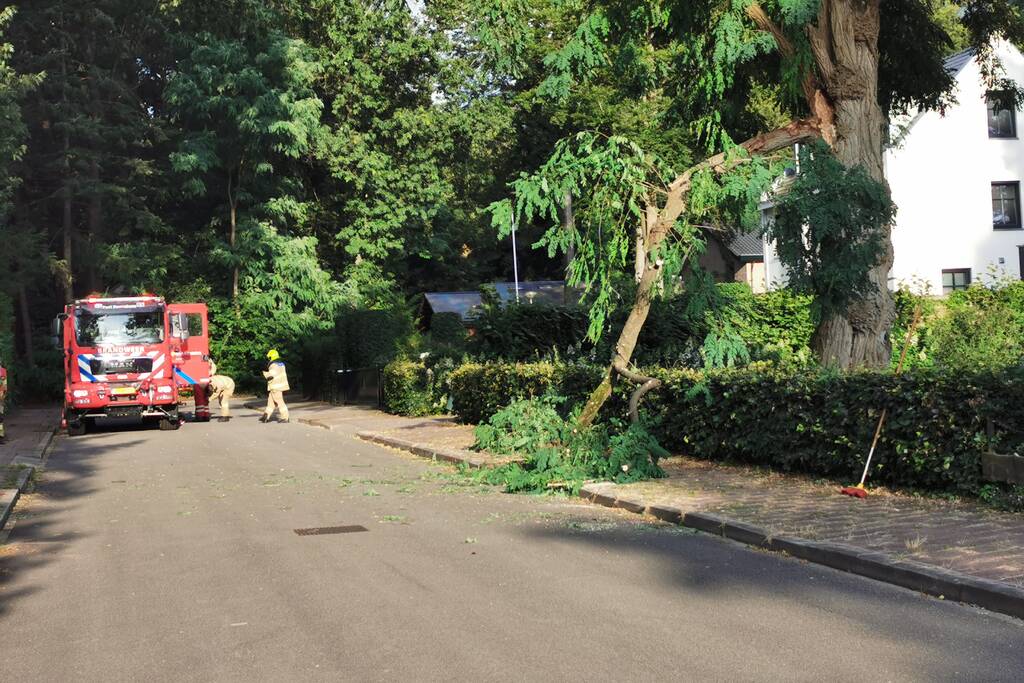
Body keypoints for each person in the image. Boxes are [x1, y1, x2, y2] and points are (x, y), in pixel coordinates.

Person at [261, 349, 289, 423]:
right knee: (271, 403)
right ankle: (266, 416)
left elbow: (271, 376)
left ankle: (285, 417)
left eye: (269, 358)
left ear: (271, 357)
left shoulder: (273, 365)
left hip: (275, 386)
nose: (268, 359)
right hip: (280, 385)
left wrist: (265, 373)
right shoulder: (281, 364)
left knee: (280, 401)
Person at [0, 358, 7, 442]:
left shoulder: (2, 371)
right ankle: (1, 436)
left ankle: (1, 436)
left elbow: (4, 386)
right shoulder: (3, 371)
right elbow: (5, 386)